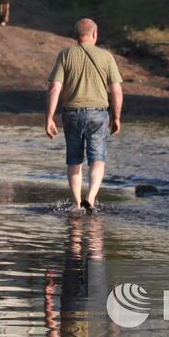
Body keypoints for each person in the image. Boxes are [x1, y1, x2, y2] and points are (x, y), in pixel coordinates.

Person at [45, 18, 124, 212]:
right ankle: (91, 197)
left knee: (74, 160)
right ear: (94, 34)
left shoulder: (65, 55)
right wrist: (116, 117)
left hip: (71, 114)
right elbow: (117, 91)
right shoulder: (106, 57)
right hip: (98, 115)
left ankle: (76, 203)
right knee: (97, 159)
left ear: (76, 36)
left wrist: (49, 118)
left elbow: (55, 88)